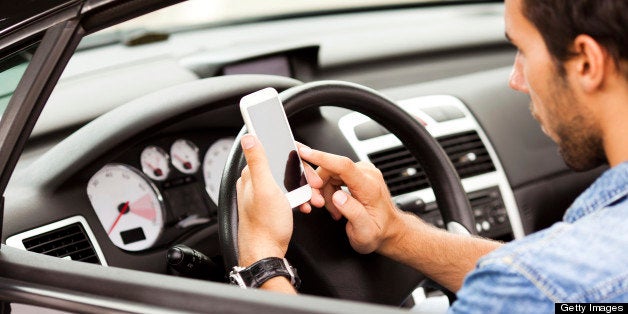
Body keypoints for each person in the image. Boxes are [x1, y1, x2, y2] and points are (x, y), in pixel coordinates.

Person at [235, 0, 628, 311]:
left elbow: (540, 288)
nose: (515, 79)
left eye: (522, 50)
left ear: (587, 63)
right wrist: (395, 232)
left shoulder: (536, 285)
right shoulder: (571, 281)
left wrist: (263, 261)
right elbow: (557, 292)